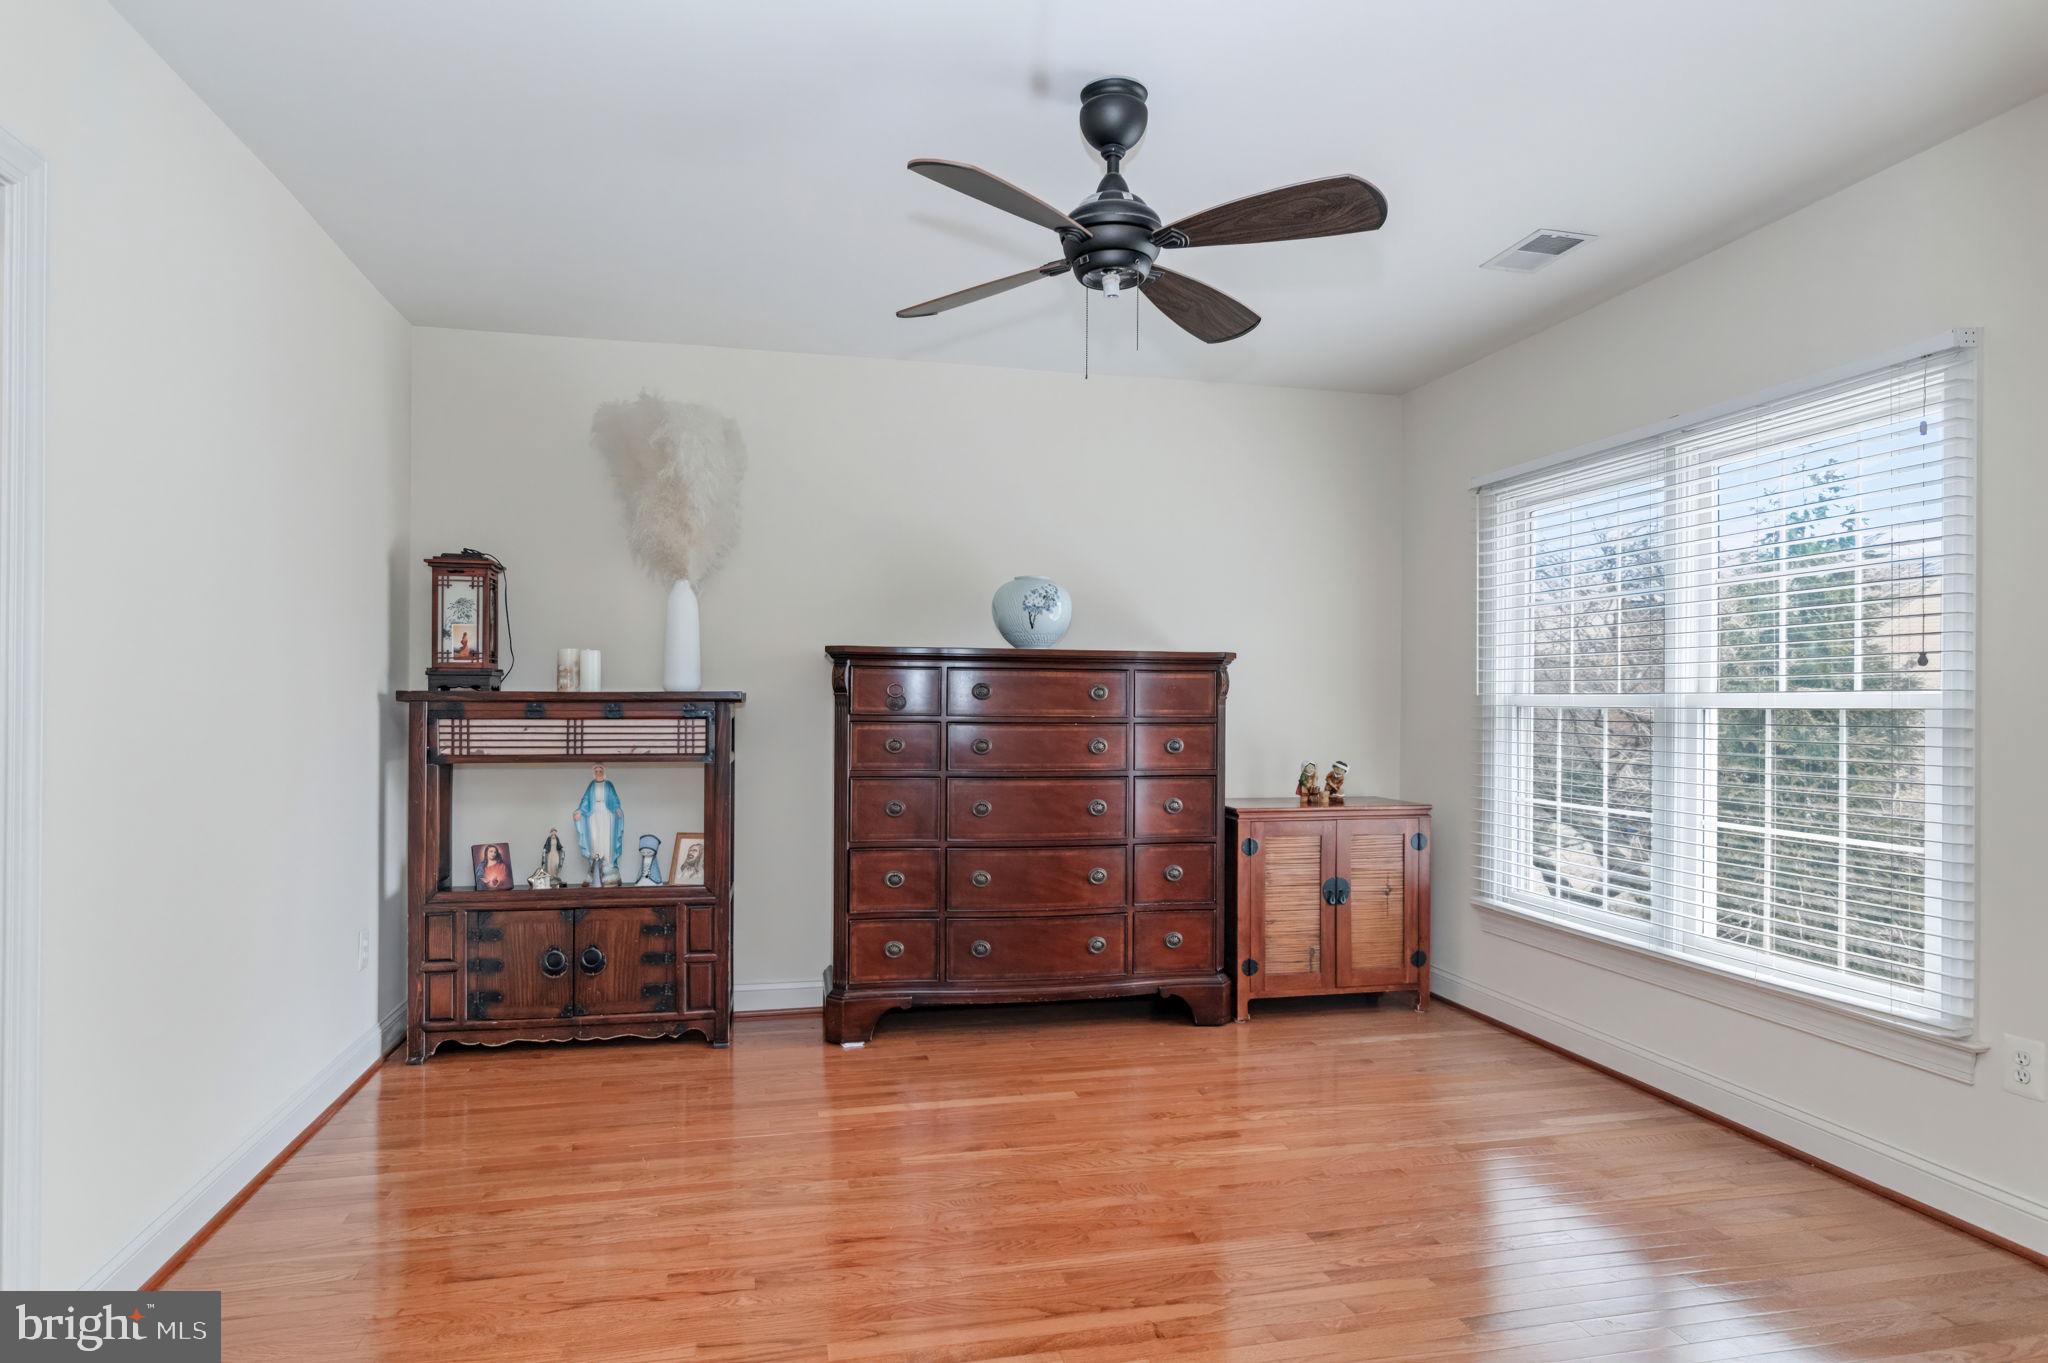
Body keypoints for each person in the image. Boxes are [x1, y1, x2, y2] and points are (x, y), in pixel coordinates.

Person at [574, 764, 624, 887]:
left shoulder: (609, 785)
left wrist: (617, 808)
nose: (598, 773)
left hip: (607, 814)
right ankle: (594, 868)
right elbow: (585, 800)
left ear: (603, 771)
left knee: (606, 838)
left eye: (600, 770)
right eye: (596, 771)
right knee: (595, 838)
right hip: (594, 814)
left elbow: (614, 799)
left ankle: (608, 867)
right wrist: (580, 811)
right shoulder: (591, 785)